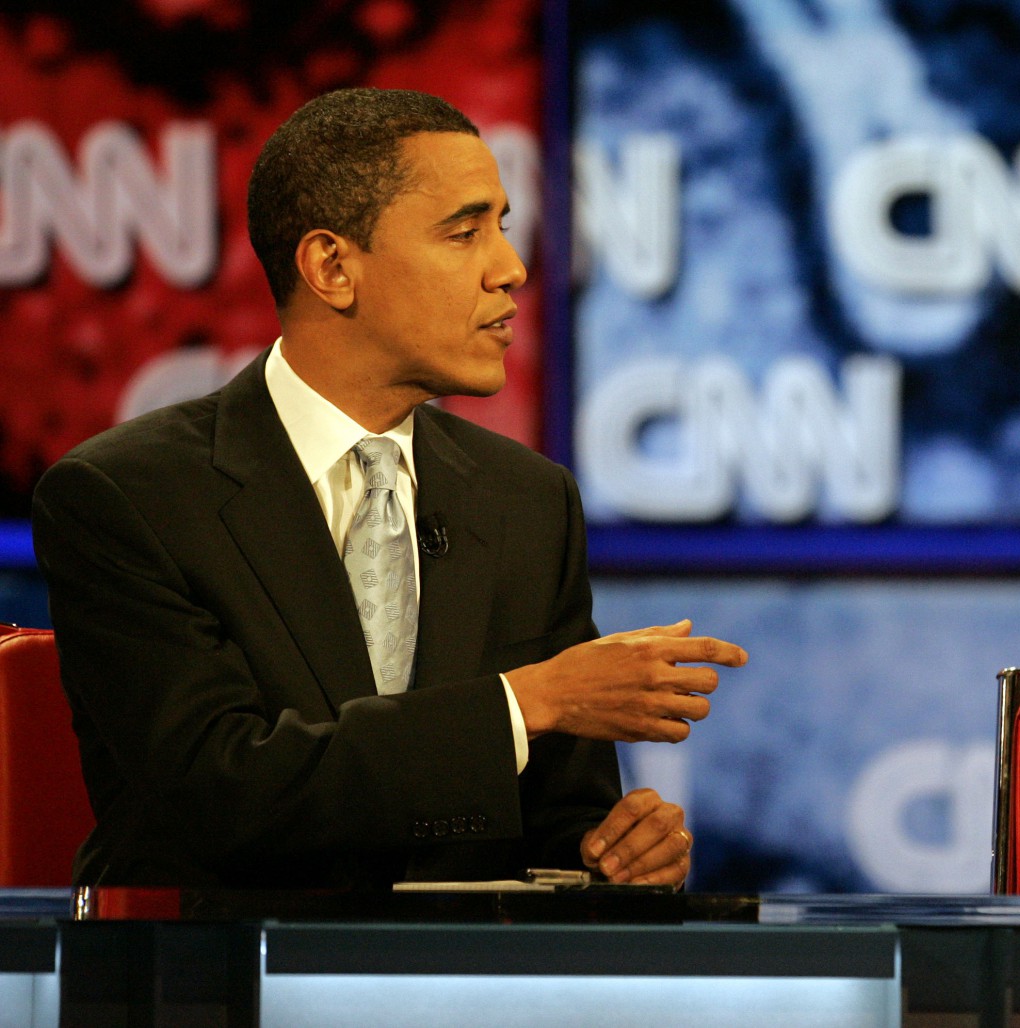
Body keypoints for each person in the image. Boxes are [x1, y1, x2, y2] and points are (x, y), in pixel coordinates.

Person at [31, 87, 747, 888]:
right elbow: (218, 789)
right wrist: (522, 703)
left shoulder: (527, 501)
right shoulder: (127, 497)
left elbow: (553, 814)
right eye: (464, 232)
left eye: (502, 228)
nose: (510, 270)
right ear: (333, 267)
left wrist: (605, 854)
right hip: (217, 992)